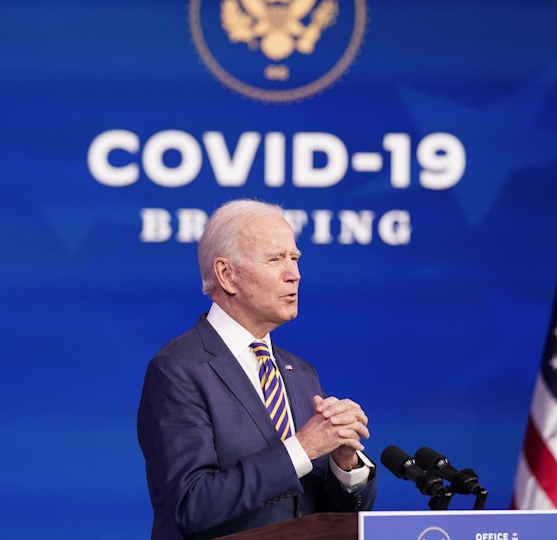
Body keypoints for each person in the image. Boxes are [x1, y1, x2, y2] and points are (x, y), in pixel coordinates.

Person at [137, 198, 377, 539]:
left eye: (294, 258)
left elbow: (323, 514)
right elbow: (190, 505)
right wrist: (303, 447)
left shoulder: (301, 371)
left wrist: (344, 465)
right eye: (275, 259)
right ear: (226, 274)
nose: (294, 274)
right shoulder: (178, 369)